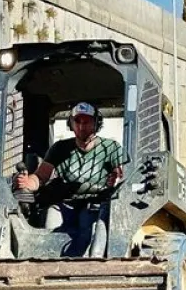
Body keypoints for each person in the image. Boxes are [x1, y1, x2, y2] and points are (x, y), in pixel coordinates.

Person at [14, 102, 124, 253]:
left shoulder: (111, 148)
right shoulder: (60, 148)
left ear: (96, 123)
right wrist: (27, 182)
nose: (81, 126)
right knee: (50, 222)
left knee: (90, 228)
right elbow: (41, 177)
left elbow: (121, 176)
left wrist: (115, 180)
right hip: (64, 203)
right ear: (70, 123)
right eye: (77, 121)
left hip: (95, 204)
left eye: (86, 121)